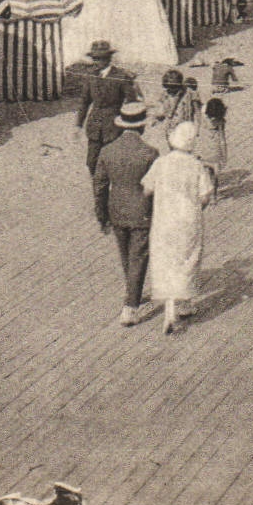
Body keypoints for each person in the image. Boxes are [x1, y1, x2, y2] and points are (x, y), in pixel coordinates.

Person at [143, 120, 215, 333]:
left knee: (166, 259)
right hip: (188, 219)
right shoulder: (196, 165)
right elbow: (205, 195)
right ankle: (183, 303)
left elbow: (147, 189)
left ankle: (169, 307)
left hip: (165, 218)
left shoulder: (161, 163)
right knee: (187, 260)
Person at [94, 102, 159, 326]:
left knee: (126, 255)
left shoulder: (107, 151)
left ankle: (134, 292)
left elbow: (100, 186)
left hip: (116, 210)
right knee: (138, 256)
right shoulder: (150, 153)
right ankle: (130, 307)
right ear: (141, 127)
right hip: (142, 211)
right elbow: (157, 187)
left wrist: (101, 216)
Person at [66, 39, 142, 180]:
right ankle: (98, 190)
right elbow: (84, 102)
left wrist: (131, 125)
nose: (96, 62)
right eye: (94, 59)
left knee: (113, 160)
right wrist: (78, 125)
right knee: (92, 162)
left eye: (100, 59)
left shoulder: (121, 77)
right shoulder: (90, 76)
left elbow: (132, 103)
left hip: (114, 125)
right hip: (94, 125)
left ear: (108, 59)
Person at [150, 68, 200, 149]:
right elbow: (162, 111)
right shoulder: (165, 94)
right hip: (170, 128)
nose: (172, 91)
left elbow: (197, 112)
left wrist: (197, 128)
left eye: (174, 88)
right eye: (169, 88)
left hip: (185, 127)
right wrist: (156, 118)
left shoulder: (190, 93)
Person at [195, 97, 228, 196]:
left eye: (215, 117)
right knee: (202, 173)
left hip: (214, 149)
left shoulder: (220, 122)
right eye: (211, 117)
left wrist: (224, 154)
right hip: (203, 147)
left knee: (214, 175)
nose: (213, 119)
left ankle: (213, 195)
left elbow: (222, 139)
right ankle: (205, 193)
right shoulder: (202, 116)